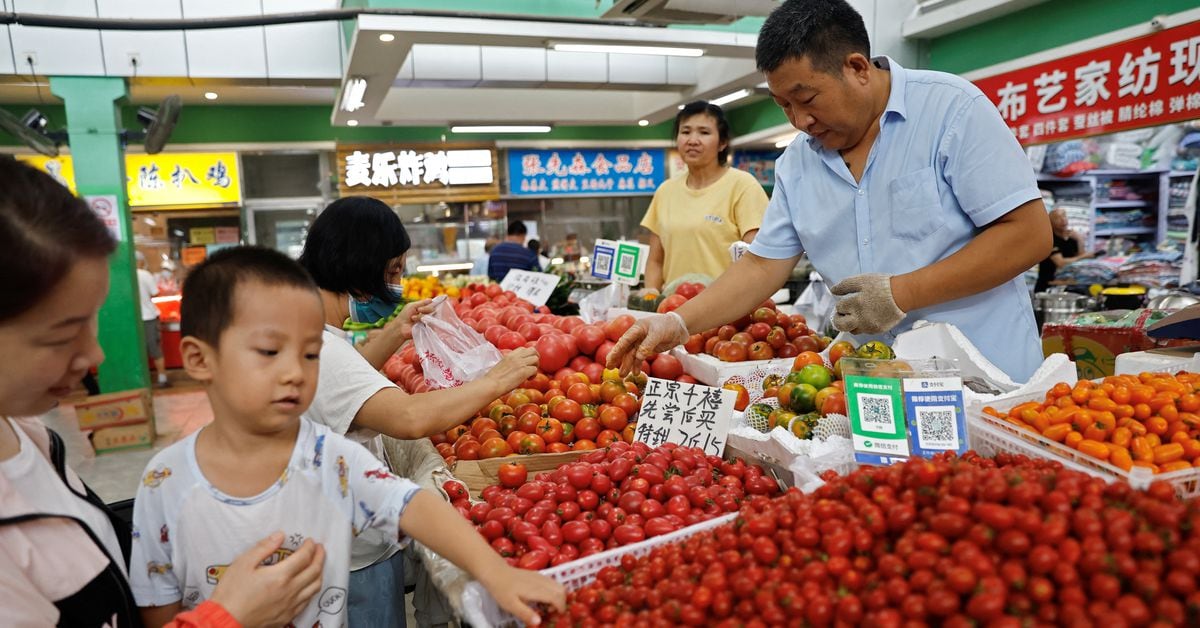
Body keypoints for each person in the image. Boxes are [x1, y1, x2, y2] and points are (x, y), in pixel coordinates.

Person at [607, 0, 1052, 382]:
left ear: (857, 67)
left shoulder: (952, 111)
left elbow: (1028, 234)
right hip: (870, 387)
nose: (800, 122)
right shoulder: (798, 163)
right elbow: (762, 266)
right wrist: (678, 322)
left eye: (808, 99)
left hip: (984, 377)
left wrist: (903, 292)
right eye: (784, 106)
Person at [128, 246, 564, 628]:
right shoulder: (164, 483)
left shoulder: (329, 458)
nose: (296, 372)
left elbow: (414, 506)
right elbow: (157, 607)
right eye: (269, 352)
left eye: (311, 354)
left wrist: (495, 572)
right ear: (199, 359)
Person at [0, 157, 326, 627]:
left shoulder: (29, 437)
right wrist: (226, 617)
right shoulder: (165, 477)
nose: (96, 356)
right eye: (61, 334)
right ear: (201, 360)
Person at [297, 196, 540, 626]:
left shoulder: (315, 333)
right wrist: (498, 379)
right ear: (357, 266)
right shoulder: (321, 347)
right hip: (351, 561)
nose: (399, 283)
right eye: (392, 271)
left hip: (341, 541)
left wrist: (396, 332)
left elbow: (346, 386)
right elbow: (410, 418)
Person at [640, 101, 769, 294]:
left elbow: (757, 257)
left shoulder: (742, 185)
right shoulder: (665, 191)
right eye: (685, 132)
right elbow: (656, 260)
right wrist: (650, 295)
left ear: (722, 143)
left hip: (727, 310)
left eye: (704, 132)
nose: (692, 140)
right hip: (674, 307)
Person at [1035, 208, 1093, 293]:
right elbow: (1060, 263)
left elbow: (1080, 260)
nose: (1063, 220)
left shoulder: (1071, 238)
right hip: (1048, 286)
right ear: (1050, 222)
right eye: (1058, 218)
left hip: (1068, 285)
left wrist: (1080, 240)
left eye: (1064, 216)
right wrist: (1084, 256)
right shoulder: (1050, 239)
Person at [137, 250, 170, 388]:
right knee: (154, 349)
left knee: (139, 350)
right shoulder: (144, 275)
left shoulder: (123, 275)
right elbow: (155, 293)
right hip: (148, 317)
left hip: (133, 319)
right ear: (139, 261)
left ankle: (142, 381)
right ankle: (162, 378)